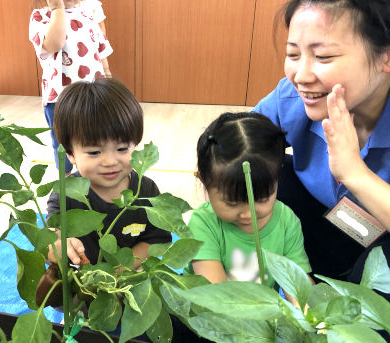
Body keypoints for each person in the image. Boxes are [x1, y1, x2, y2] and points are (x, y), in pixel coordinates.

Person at [253, 0, 390, 292]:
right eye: (293, 54)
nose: (301, 76)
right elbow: (236, 141)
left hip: (379, 246)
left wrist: (355, 173)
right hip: (332, 232)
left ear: (385, 56)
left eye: (323, 57)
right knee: (265, 169)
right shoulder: (293, 98)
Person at [43, 78, 171, 268]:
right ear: (70, 154)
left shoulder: (146, 190)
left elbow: (156, 239)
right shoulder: (66, 192)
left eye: (122, 149)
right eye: (94, 152)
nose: (110, 161)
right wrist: (57, 245)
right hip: (82, 280)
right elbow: (52, 237)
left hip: (129, 277)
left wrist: (119, 272)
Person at [186, 112, 311, 301]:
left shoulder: (287, 221)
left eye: (261, 199)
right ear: (204, 182)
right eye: (232, 203)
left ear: (278, 180)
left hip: (261, 318)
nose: (248, 214)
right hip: (210, 315)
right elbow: (216, 296)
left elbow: (298, 285)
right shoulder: (203, 224)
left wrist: (308, 312)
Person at [29, 0, 113, 173]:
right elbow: (55, 43)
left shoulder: (87, 16)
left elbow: (101, 49)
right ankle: (65, 179)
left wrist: (107, 74)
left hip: (93, 93)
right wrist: (57, 9)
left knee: (94, 134)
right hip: (60, 97)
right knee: (61, 140)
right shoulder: (41, 17)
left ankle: (92, 172)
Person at [78, 0, 112, 78]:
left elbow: (101, 28)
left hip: (93, 46)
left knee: (104, 71)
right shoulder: (62, 4)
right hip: (74, 49)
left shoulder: (93, 4)